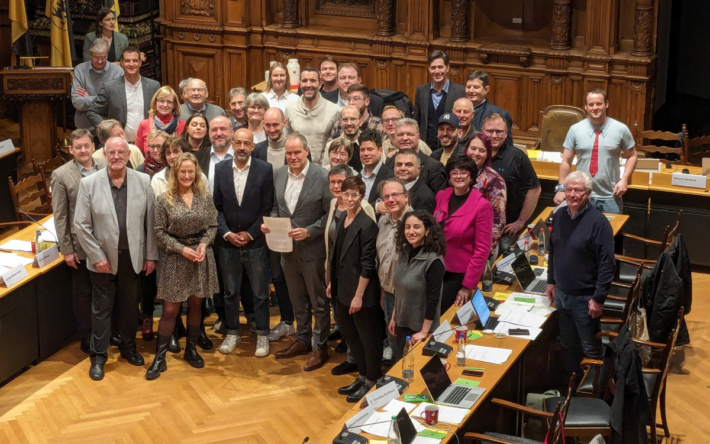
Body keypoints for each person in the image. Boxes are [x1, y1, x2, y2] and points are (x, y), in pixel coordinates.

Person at [74, 136, 159, 380]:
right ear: (104, 154)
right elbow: (80, 224)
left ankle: (128, 347)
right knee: (101, 310)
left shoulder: (143, 181)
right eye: (112, 152)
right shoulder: (90, 184)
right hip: (102, 261)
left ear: (128, 154)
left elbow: (150, 223)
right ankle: (98, 356)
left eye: (121, 152)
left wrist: (151, 255)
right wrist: (96, 256)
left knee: (130, 307)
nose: (117, 157)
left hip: (133, 258)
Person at [261, 132, 332, 372]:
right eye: (288, 153)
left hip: (313, 251)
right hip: (286, 251)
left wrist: (310, 231)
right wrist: (269, 224)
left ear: (307, 151)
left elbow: (330, 215)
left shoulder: (322, 177)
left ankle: (320, 347)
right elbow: (275, 207)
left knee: (318, 302)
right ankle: (302, 340)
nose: (292, 157)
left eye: (296, 152)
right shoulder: (280, 174)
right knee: (297, 301)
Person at [146, 152, 219, 380]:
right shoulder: (164, 200)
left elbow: (213, 225)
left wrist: (204, 244)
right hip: (176, 258)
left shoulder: (204, 197)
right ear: (175, 173)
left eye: (191, 171)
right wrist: (181, 249)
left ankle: (191, 350)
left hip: (199, 257)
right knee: (170, 310)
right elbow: (158, 232)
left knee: (196, 306)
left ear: (196, 173)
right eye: (182, 171)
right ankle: (160, 358)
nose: (187, 175)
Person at [546, 171, 615, 383]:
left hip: (586, 299)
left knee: (590, 349)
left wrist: (599, 298)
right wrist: (551, 281)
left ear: (588, 194)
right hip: (562, 295)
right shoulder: (559, 215)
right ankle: (573, 389)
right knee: (569, 345)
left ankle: (596, 394)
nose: (572, 194)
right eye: (569, 189)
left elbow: (607, 264)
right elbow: (554, 251)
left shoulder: (599, 223)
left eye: (578, 190)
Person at [212, 128, 274, 357]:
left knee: (260, 292)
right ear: (231, 144)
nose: (241, 147)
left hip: (255, 242)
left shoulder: (264, 170)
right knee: (230, 292)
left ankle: (262, 335)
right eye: (237, 143)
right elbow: (216, 207)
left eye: (246, 143)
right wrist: (227, 233)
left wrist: (249, 234)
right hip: (228, 243)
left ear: (252, 147)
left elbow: (267, 208)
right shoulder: (220, 169)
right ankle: (233, 332)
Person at [325, 176, 382, 402]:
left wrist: (358, 296)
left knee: (368, 339)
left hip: (361, 295)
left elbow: (368, 265)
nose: (349, 198)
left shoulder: (367, 225)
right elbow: (336, 256)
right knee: (351, 336)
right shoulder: (341, 219)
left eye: (354, 195)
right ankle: (362, 375)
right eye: (346, 194)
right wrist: (332, 282)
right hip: (342, 289)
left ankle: (371, 380)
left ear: (362, 197)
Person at [51, 129, 107, 354]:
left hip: (106, 242)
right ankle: (87, 335)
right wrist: (67, 249)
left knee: (104, 290)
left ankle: (104, 331)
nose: (83, 150)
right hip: (79, 246)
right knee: (83, 294)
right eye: (78, 147)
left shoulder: (105, 166)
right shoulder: (61, 174)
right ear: (71, 150)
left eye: (87, 145)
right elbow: (61, 215)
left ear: (93, 147)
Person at [554, 88, 638, 214]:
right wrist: (561, 189)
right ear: (585, 107)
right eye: (591, 104)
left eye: (599, 103)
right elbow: (566, 161)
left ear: (606, 104)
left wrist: (624, 179)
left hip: (611, 196)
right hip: (582, 196)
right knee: (581, 233)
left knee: (611, 233)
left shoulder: (621, 129)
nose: (595, 107)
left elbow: (632, 156)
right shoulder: (575, 130)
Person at [252, 108, 296, 342]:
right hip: (269, 221)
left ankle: (300, 322)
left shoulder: (293, 145)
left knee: (295, 275)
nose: (271, 130)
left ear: (284, 123)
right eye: (267, 126)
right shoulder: (258, 150)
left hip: (294, 220)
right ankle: (287, 320)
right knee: (277, 274)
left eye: (275, 125)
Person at [434, 156, 493, 312]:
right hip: (436, 269)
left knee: (442, 315)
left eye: (463, 172)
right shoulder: (442, 195)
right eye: (454, 172)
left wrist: (467, 286)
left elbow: (483, 249)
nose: (458, 176)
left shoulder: (482, 206)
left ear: (471, 176)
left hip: (460, 275)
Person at [389, 210, 445, 360]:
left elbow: (433, 300)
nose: (411, 231)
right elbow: (399, 290)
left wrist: (424, 332)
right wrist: (394, 318)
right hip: (402, 325)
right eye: (407, 227)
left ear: (427, 230)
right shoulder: (404, 252)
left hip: (419, 330)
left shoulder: (433, 261)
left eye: (416, 227)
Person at [482, 114, 541, 241]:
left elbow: (535, 189)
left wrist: (521, 221)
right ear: (482, 131)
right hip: (477, 225)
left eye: (498, 131)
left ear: (506, 133)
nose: (494, 135)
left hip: (505, 230)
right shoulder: (475, 153)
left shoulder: (517, 157)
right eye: (490, 131)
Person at [87, 47, 160, 143]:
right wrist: (108, 129)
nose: (131, 64)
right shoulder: (110, 87)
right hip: (119, 144)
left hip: (147, 144)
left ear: (140, 63)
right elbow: (92, 112)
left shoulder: (153, 86)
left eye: (134, 61)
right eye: (127, 61)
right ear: (121, 63)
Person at [376, 178, 412, 366]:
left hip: (408, 297)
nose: (390, 199)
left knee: (404, 341)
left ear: (406, 197)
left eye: (395, 195)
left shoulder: (415, 224)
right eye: (386, 196)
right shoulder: (384, 220)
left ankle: (405, 381)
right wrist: (383, 290)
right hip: (388, 293)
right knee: (392, 339)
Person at [285, 67, 340, 166]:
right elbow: (286, 142)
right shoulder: (290, 109)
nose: (308, 85)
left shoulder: (334, 110)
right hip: (297, 167)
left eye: (313, 81)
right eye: (304, 81)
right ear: (300, 83)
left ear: (320, 83)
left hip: (323, 169)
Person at [466, 133, 507, 259]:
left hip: (480, 247)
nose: (476, 153)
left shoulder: (494, 180)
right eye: (473, 148)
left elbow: (498, 221)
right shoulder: (456, 173)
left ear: (487, 155)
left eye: (482, 150)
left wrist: (484, 253)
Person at [413, 50, 466, 149]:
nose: (437, 71)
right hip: (425, 147)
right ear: (428, 69)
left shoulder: (460, 91)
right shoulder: (421, 90)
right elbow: (417, 120)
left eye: (440, 67)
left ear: (447, 68)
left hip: (450, 147)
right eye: (433, 68)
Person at [72, 38, 124, 132]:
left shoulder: (118, 72)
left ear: (107, 55)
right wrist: (104, 100)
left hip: (111, 128)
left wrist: (88, 98)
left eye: (103, 57)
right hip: (84, 127)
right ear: (90, 55)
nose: (100, 61)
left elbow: (117, 104)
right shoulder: (80, 70)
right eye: (96, 57)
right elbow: (77, 102)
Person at [388, 118, 447, 194]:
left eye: (410, 134)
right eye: (400, 134)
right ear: (395, 138)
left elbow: (439, 200)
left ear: (418, 137)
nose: (405, 138)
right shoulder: (389, 161)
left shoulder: (434, 167)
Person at [327, 85, 386, 152]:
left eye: (356, 99)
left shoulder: (380, 125)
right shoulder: (339, 124)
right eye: (349, 99)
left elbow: (383, 152)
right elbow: (328, 150)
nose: (351, 103)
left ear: (367, 101)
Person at [467, 71, 514, 146]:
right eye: (468, 87)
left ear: (486, 90)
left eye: (476, 87)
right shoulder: (459, 111)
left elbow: (507, 147)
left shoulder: (501, 115)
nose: (471, 91)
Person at [135, 86, 185, 154]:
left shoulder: (183, 125)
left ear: (174, 105)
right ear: (155, 103)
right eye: (161, 101)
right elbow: (138, 154)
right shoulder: (144, 124)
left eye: (169, 102)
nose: (165, 105)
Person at [359, 130, 394, 207]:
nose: (366, 153)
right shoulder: (357, 177)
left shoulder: (391, 177)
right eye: (362, 150)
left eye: (370, 149)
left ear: (380, 151)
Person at [324, 105, 363, 171]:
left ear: (361, 122)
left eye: (353, 119)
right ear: (341, 122)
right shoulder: (330, 145)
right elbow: (325, 173)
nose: (349, 123)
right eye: (345, 119)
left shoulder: (370, 145)